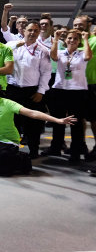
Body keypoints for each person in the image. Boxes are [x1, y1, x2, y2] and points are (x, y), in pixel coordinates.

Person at [0, 79, 75, 176]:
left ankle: (21, 159)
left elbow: (32, 113)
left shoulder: (7, 103)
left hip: (9, 142)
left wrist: (58, 120)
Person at [43, 29, 92, 163]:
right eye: (70, 38)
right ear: (66, 40)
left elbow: (88, 57)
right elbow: (53, 56)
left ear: (79, 42)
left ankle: (75, 153)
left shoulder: (82, 53)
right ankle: (56, 148)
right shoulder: (60, 52)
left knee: (75, 123)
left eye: (75, 39)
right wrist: (56, 38)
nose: (72, 40)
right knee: (58, 121)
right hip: (60, 90)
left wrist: (86, 39)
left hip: (77, 91)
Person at [5, 21, 51, 158]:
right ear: (24, 31)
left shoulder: (42, 51)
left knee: (33, 124)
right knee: (12, 122)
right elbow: (1, 53)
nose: (32, 33)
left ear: (38, 33)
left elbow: (46, 72)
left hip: (32, 92)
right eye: (30, 30)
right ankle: (11, 150)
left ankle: (33, 150)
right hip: (12, 90)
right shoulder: (12, 46)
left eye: (36, 31)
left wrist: (41, 91)